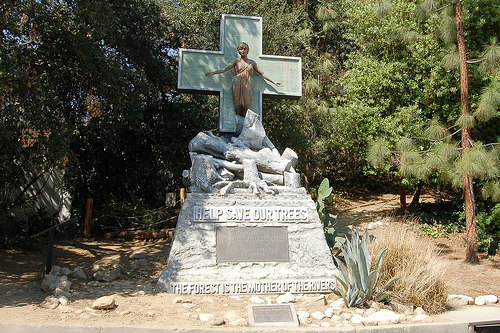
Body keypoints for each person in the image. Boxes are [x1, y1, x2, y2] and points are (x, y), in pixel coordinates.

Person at [205, 42, 282, 117]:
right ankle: (239, 116)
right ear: (238, 51)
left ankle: (248, 119)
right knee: (238, 104)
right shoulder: (236, 61)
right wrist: (213, 73)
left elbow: (262, 73)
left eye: (244, 49)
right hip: (237, 82)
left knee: (247, 103)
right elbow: (224, 69)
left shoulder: (252, 63)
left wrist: (274, 82)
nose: (243, 51)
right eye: (240, 49)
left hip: (248, 83)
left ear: (247, 51)